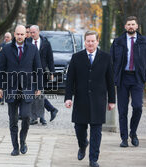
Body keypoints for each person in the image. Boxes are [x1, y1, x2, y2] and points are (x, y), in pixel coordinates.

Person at [65, 31, 115, 167]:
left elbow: (110, 80)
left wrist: (112, 100)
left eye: (93, 41)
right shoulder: (76, 57)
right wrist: (68, 98)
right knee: (79, 128)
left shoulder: (106, 58)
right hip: (81, 100)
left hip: (99, 100)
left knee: (96, 132)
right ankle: (82, 145)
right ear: (85, 42)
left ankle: (93, 159)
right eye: (88, 41)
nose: (90, 43)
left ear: (97, 42)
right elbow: (70, 80)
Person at [0, 25, 42, 156]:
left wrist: (39, 86)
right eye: (18, 34)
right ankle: (15, 147)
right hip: (11, 88)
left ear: (26, 35)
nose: (20, 36)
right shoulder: (6, 49)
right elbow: (1, 69)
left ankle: (23, 141)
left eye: (22, 34)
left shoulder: (33, 49)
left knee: (26, 116)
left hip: (28, 88)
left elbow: (38, 68)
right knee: (13, 119)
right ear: (14, 34)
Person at [110, 16, 146, 147]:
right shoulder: (117, 41)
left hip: (138, 78)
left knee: (138, 107)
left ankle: (133, 133)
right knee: (122, 110)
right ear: (125, 27)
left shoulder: (145, 41)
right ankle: (124, 138)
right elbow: (111, 62)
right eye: (128, 24)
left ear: (137, 26)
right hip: (122, 78)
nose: (131, 26)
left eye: (133, 24)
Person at [28, 25, 58, 125]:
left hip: (43, 72)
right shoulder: (27, 42)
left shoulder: (45, 43)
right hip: (30, 72)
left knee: (40, 94)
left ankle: (41, 116)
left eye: (34, 32)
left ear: (38, 31)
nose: (32, 34)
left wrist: (52, 72)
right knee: (33, 94)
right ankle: (35, 117)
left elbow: (50, 59)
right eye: (30, 32)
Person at [0, 32, 12, 105]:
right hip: (1, 68)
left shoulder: (13, 46)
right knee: (0, 84)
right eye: (5, 37)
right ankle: (1, 100)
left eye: (8, 37)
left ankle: (10, 99)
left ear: (11, 38)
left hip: (10, 68)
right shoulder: (0, 46)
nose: (6, 38)